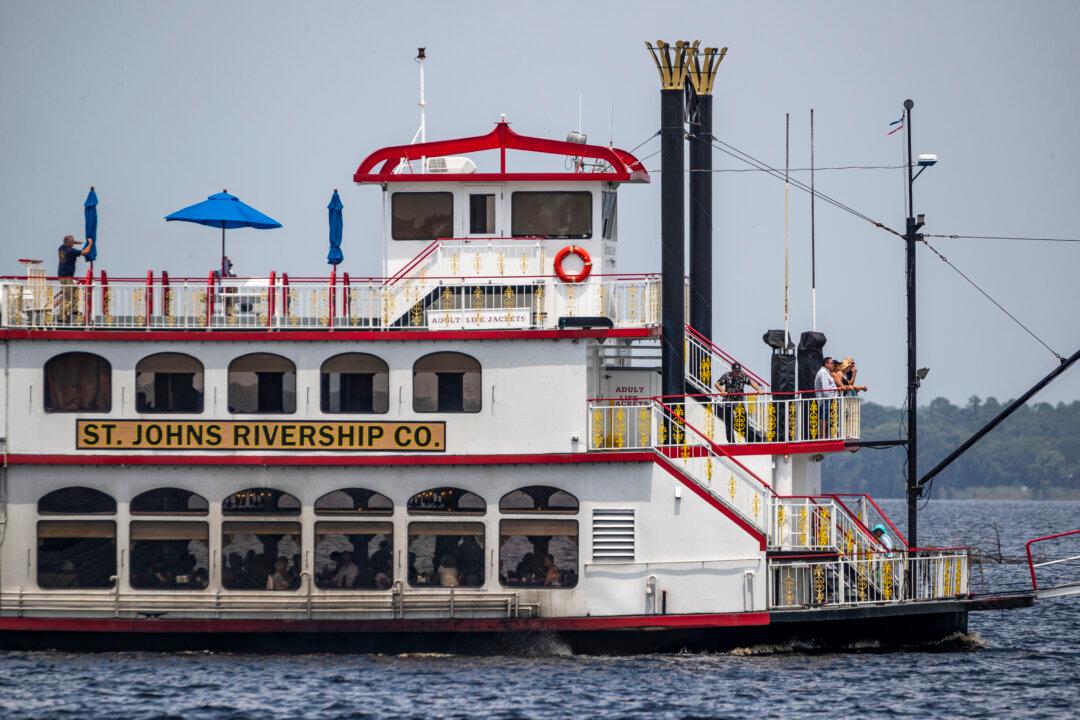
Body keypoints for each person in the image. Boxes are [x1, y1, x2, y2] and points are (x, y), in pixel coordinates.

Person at [715, 362, 762, 443]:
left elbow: (751, 382)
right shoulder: (727, 375)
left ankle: (749, 441)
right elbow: (717, 384)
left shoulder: (743, 376)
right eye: (736, 371)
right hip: (728, 401)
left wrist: (757, 389)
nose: (737, 373)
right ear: (732, 370)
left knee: (744, 421)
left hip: (739, 401)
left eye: (738, 371)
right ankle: (731, 442)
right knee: (729, 423)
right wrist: (722, 391)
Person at [56, 235, 93, 323]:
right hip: (66, 276)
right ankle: (62, 316)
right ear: (70, 243)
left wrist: (83, 242)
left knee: (75, 290)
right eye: (73, 242)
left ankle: (74, 310)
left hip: (64, 275)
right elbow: (85, 252)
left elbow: (71, 242)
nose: (74, 243)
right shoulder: (70, 251)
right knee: (68, 296)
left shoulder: (62, 248)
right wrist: (90, 243)